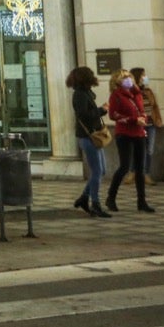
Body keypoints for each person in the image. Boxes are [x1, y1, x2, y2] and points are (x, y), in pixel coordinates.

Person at [105, 69, 153, 213]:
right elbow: (113, 115)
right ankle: (110, 198)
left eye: (129, 77)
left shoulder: (136, 93)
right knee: (124, 167)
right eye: (124, 77)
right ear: (117, 81)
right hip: (124, 134)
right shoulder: (116, 95)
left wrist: (143, 118)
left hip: (139, 133)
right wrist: (133, 120)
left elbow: (141, 110)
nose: (128, 79)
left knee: (140, 169)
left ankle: (142, 202)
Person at [67, 66, 110, 218]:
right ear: (85, 78)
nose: (94, 76)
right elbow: (84, 115)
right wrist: (102, 110)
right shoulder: (79, 95)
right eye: (91, 75)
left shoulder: (86, 93)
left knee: (102, 170)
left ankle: (84, 198)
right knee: (97, 171)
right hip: (88, 137)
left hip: (95, 135)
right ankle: (95, 203)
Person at [130, 66, 162, 184]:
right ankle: (133, 172)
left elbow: (155, 106)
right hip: (138, 124)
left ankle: (146, 174)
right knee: (137, 149)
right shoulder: (131, 92)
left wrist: (158, 118)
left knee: (149, 149)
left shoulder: (148, 91)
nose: (145, 77)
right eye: (143, 75)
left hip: (150, 124)